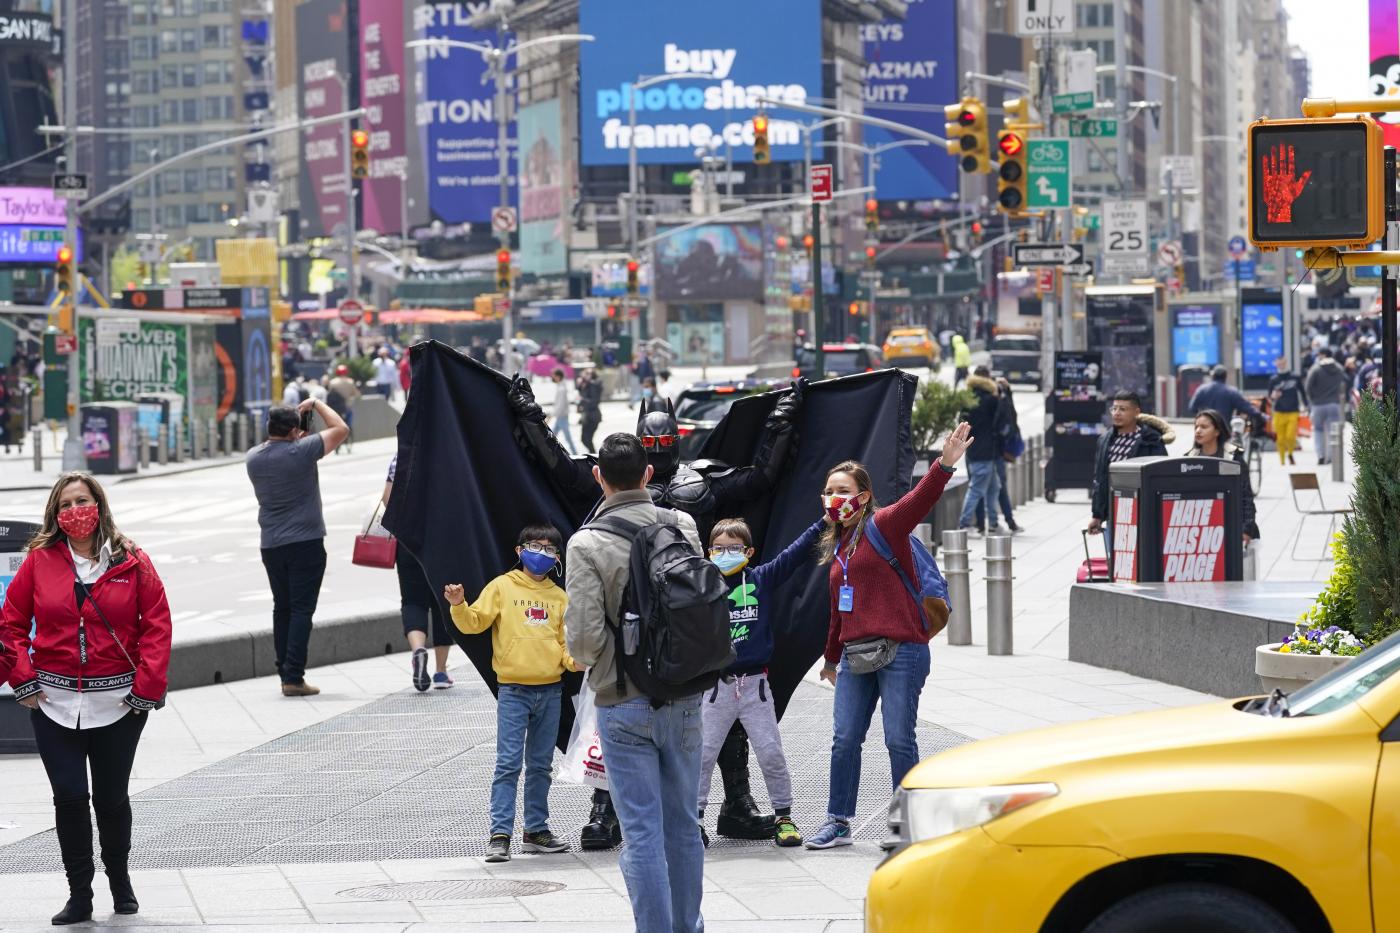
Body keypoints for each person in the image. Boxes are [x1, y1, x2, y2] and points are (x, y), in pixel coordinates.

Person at [1, 473, 172, 924]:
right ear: (55, 516)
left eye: (83, 500)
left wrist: (146, 690)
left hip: (119, 704)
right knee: (70, 797)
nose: (75, 511)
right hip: (53, 704)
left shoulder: (132, 559)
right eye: (65, 505)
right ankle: (80, 894)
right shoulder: (39, 561)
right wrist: (24, 680)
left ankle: (120, 880)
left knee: (111, 799)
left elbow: (156, 624)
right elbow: (11, 625)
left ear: (99, 504)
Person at [564, 433, 706, 933]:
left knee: (642, 832)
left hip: (622, 702)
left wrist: (611, 663)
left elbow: (581, 641)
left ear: (598, 476)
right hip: (686, 695)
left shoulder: (586, 542)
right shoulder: (683, 525)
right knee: (683, 827)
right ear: (649, 475)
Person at [806, 423, 971, 850]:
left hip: (902, 651)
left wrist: (944, 465)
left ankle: (908, 825)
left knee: (899, 738)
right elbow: (838, 614)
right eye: (828, 491)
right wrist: (829, 659)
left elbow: (920, 500)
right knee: (844, 739)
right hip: (855, 656)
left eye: (842, 490)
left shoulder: (884, 525)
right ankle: (838, 820)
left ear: (862, 496)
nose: (833, 498)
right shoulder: (838, 548)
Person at [444, 524, 575, 863]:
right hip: (514, 691)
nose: (541, 553)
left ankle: (535, 830)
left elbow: (564, 646)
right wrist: (459, 605)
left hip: (551, 691)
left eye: (549, 549)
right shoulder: (502, 587)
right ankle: (499, 833)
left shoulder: (560, 598)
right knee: (507, 764)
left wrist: (577, 661)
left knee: (540, 766)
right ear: (519, 551)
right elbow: (474, 622)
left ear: (558, 558)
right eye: (534, 546)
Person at [697, 516, 824, 848]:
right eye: (718, 548)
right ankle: (692, 822)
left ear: (749, 552)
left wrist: (823, 523)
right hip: (717, 688)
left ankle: (783, 818)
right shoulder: (702, 587)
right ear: (708, 552)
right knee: (702, 756)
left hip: (755, 686)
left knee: (771, 753)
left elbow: (794, 555)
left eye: (734, 548)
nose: (725, 553)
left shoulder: (761, 579)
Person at [245, 398, 349, 696]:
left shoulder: (253, 457)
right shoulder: (302, 452)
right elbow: (340, 428)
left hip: (271, 545)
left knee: (283, 608)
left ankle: (284, 673)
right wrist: (315, 403)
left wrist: (294, 437)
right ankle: (294, 677)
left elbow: (283, 450)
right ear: (294, 430)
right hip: (305, 542)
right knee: (302, 609)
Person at [383, 456, 453, 692]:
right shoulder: (446, 455)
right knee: (443, 601)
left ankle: (417, 650)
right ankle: (441, 672)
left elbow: (387, 499)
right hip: (442, 540)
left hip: (408, 541)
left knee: (413, 600)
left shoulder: (400, 459)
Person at [1088, 391, 1174, 555]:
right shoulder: (1105, 440)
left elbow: (1162, 479)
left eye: (1123, 409)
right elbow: (1100, 479)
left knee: (1140, 562)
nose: (1117, 413)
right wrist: (1097, 515)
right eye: (1114, 409)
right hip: (1114, 514)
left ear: (1136, 412)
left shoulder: (1150, 441)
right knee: (1116, 561)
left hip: (1143, 515)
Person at [1188, 410, 1261, 544]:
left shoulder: (1232, 457)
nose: (1198, 431)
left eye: (1204, 427)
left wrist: (1246, 529)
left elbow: (1246, 496)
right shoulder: (1189, 458)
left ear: (1217, 431)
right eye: (1196, 427)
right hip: (1199, 530)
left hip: (1230, 526)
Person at [956, 368, 1005, 535]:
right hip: (986, 451)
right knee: (977, 489)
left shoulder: (967, 399)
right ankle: (964, 524)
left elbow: (961, 422)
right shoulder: (990, 400)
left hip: (973, 449)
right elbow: (1003, 418)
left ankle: (993, 522)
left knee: (993, 487)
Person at [976, 376, 1023, 534]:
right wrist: (1006, 394)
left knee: (990, 488)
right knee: (994, 488)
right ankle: (998, 523)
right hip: (993, 451)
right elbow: (1009, 419)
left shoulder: (977, 399)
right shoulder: (993, 400)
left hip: (985, 451)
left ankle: (988, 524)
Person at [1304, 347, 1348, 465]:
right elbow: (1345, 383)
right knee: (1332, 431)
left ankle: (1321, 455)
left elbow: (1307, 387)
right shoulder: (1339, 368)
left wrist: (1312, 399)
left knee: (1318, 430)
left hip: (1318, 405)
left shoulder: (1316, 368)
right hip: (1334, 404)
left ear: (1322, 355)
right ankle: (1330, 457)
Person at [1188, 366, 1262, 426]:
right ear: (1225, 377)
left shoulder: (1202, 389)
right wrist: (1261, 415)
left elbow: (1192, 408)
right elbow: (1246, 407)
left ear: (1212, 376)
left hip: (1205, 428)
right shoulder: (1231, 392)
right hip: (1223, 430)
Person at [1267, 356, 1306, 466]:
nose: (1281, 365)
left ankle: (1290, 454)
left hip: (1293, 410)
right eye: (1279, 363)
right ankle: (1282, 461)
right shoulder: (1273, 379)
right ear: (1276, 364)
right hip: (1279, 411)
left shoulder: (1295, 377)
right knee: (1280, 439)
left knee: (1290, 436)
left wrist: (1306, 405)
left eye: (1283, 363)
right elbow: (1270, 397)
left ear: (1286, 362)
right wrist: (1274, 396)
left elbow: (1302, 392)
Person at [327, 364, 360, 454]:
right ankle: (349, 437)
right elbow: (356, 394)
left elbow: (330, 394)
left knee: (334, 426)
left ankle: (336, 445)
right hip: (347, 407)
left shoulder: (333, 382)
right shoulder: (350, 381)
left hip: (336, 408)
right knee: (349, 425)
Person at [550, 367, 577, 454]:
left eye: (553, 376)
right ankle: (550, 451)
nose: (552, 378)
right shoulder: (561, 386)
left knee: (566, 437)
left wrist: (553, 414)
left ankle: (575, 453)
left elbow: (560, 405)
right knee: (552, 436)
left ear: (558, 376)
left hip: (562, 416)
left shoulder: (562, 388)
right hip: (560, 416)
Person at [577, 368, 603, 454]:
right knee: (584, 439)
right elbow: (580, 394)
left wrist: (582, 399)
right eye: (586, 373)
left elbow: (594, 402)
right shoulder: (585, 384)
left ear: (592, 375)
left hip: (593, 416)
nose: (586, 375)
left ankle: (595, 456)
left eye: (589, 373)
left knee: (587, 439)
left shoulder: (593, 385)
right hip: (586, 416)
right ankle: (594, 455)